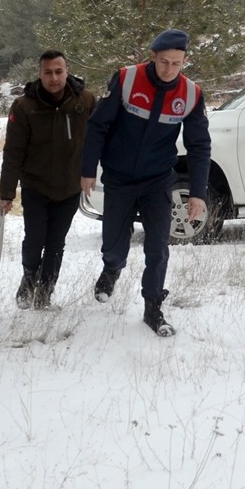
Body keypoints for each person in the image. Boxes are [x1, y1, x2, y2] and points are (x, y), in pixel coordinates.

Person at [79, 29, 211, 337]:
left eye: (176, 63)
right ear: (153, 57)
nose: (168, 69)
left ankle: (153, 307)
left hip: (157, 181)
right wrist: (88, 169)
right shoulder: (126, 79)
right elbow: (98, 126)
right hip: (119, 178)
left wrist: (198, 193)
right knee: (113, 243)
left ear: (185, 61)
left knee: (157, 248)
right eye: (163, 62)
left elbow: (199, 146)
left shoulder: (191, 94)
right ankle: (112, 267)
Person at [0, 50, 96, 309]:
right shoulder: (24, 106)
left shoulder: (84, 101)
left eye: (58, 71)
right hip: (35, 186)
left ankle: (45, 295)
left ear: (67, 71)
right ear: (39, 74)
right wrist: (7, 193)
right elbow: (13, 152)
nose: (54, 78)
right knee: (34, 240)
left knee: (55, 244)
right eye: (48, 72)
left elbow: (98, 141)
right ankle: (29, 277)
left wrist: (91, 173)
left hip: (69, 187)